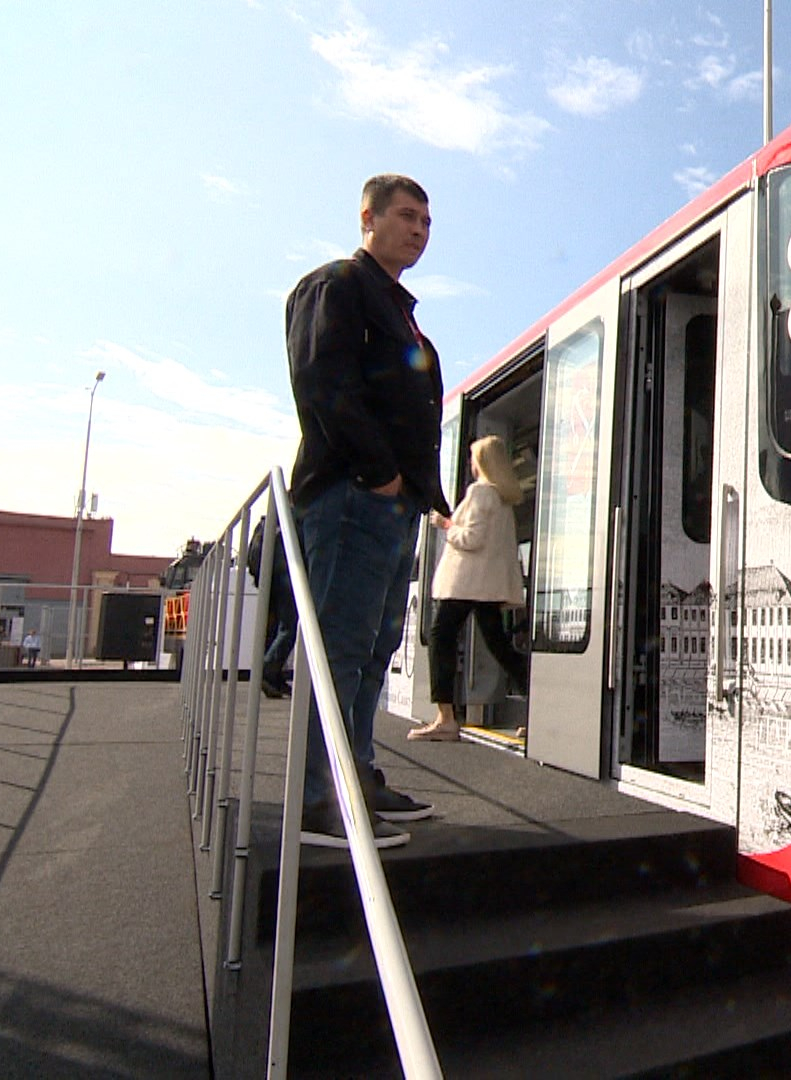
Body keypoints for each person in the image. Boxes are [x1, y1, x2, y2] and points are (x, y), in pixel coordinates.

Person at [286, 173, 449, 850]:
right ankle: (322, 802)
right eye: (407, 216)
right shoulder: (337, 287)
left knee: (376, 649)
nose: (419, 229)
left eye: (426, 221)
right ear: (368, 217)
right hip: (353, 496)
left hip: (391, 504)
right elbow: (322, 379)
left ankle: (356, 777)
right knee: (341, 649)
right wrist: (378, 473)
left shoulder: (397, 306)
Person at [409, 435, 529, 742]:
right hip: (486, 586)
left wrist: (445, 525)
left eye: (474, 458)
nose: (471, 464)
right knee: (500, 647)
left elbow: (470, 539)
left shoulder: (479, 493)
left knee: (441, 638)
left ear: (483, 462)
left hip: (465, 583)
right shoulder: (503, 497)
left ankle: (445, 717)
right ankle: (538, 709)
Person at [247, 515, 298, 698]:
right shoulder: (292, 515)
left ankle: (274, 676)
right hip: (284, 575)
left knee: (274, 627)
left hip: (268, 577)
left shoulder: (267, 522)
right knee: (289, 627)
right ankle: (268, 671)